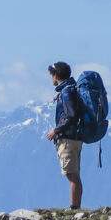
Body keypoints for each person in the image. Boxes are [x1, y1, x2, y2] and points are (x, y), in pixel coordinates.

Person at [44, 62, 84, 210]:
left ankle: (74, 209)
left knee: (72, 175)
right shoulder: (72, 89)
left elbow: (71, 116)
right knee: (74, 174)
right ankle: (76, 207)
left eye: (51, 75)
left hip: (67, 138)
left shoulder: (66, 92)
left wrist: (56, 131)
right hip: (75, 138)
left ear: (55, 75)